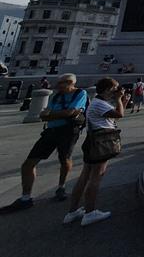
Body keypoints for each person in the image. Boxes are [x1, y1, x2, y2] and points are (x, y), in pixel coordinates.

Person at [0, 74, 87, 213]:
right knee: (29, 163)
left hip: (68, 132)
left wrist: (53, 114)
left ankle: (61, 187)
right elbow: (43, 115)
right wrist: (59, 114)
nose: (57, 85)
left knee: (64, 159)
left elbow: (70, 112)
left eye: (61, 83)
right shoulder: (56, 96)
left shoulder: (80, 93)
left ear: (70, 82)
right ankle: (25, 198)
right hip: (50, 131)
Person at [63, 77, 127, 226]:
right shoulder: (99, 104)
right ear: (107, 90)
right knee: (96, 177)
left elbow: (114, 115)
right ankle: (90, 213)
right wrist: (119, 99)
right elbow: (120, 115)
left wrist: (122, 101)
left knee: (84, 176)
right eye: (115, 88)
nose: (117, 91)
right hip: (101, 142)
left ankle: (72, 212)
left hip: (93, 141)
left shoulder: (98, 103)